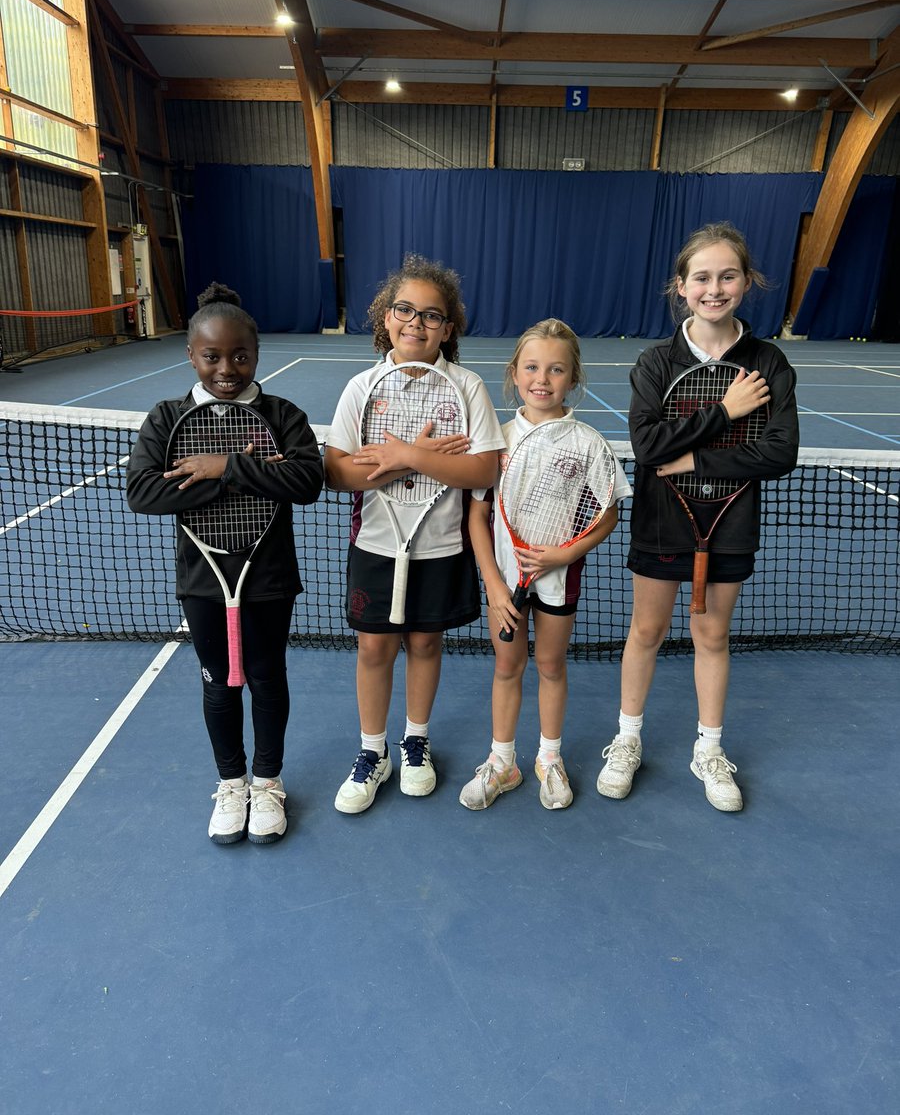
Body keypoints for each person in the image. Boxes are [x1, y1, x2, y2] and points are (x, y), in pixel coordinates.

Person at [596, 223, 799, 812]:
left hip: (731, 522)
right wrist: (725, 410)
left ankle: (709, 750)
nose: (715, 288)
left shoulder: (768, 361)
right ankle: (626, 740)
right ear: (681, 287)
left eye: (727, 275)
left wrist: (693, 457)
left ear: (747, 281)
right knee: (647, 632)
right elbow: (646, 446)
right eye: (702, 277)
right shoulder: (657, 362)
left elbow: (779, 452)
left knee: (712, 634)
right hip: (662, 522)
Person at [127, 282, 323, 845]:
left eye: (240, 355)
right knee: (218, 685)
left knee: (266, 678)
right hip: (203, 579)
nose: (227, 368)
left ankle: (267, 783)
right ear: (192, 354)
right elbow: (142, 492)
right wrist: (248, 474)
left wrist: (224, 466)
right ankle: (231, 782)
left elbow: (307, 480)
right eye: (212, 356)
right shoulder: (167, 419)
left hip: (268, 578)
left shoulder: (283, 415)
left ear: (256, 354)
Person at [325, 253, 505, 814]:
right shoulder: (362, 387)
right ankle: (372, 750)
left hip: (442, 545)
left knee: (427, 642)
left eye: (432, 315)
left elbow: (484, 469)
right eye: (405, 309)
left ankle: (415, 742)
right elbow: (335, 471)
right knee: (375, 646)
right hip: (376, 543)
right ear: (385, 316)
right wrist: (418, 458)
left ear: (448, 329)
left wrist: (401, 454)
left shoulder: (467, 386)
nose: (416, 323)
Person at [459, 319, 631, 811]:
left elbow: (608, 512)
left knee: (552, 666)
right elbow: (477, 516)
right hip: (504, 583)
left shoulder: (587, 442)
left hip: (560, 578)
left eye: (556, 370)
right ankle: (502, 762)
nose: (543, 378)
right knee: (508, 665)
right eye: (532, 367)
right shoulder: (496, 440)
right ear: (514, 373)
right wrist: (493, 583)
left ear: (573, 378)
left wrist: (567, 553)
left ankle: (548, 759)